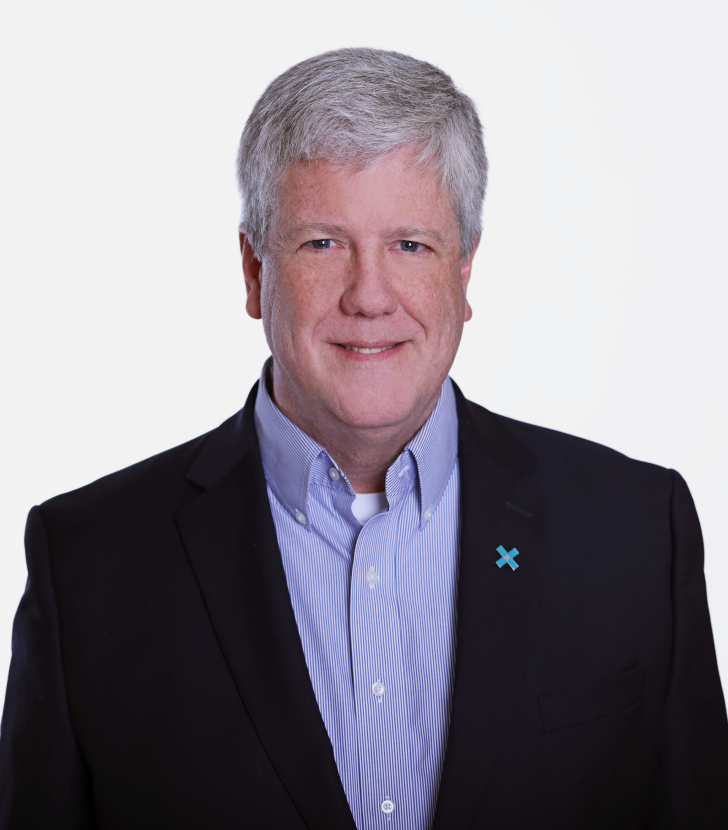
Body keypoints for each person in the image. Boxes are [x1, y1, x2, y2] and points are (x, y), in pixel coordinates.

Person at [1, 46, 726, 830]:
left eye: (410, 245)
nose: (369, 295)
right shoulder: (89, 564)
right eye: (322, 243)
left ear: (466, 270)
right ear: (253, 271)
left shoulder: (634, 529)